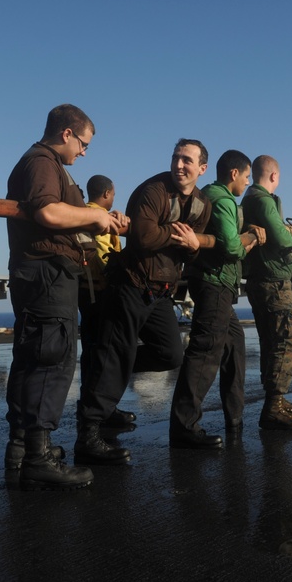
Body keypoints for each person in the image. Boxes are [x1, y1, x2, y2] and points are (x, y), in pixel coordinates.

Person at [4, 104, 126, 490]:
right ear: (67, 133)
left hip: (43, 274)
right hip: (47, 274)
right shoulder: (42, 162)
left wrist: (104, 220)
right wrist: (94, 218)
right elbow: (48, 213)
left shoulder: (50, 165)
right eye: (84, 143)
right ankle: (38, 457)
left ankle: (23, 448)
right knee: (50, 361)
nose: (85, 152)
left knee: (32, 360)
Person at [76, 139, 213, 462]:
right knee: (115, 357)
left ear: (201, 169)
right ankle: (89, 437)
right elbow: (143, 236)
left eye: (187, 161)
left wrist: (191, 244)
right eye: (176, 158)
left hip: (161, 291)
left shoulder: (201, 205)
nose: (179, 165)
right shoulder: (153, 191)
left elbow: (189, 250)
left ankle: (111, 369)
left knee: (170, 354)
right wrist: (178, 236)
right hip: (131, 285)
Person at [169, 150, 265, 448]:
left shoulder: (211, 195)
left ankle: (234, 418)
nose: (247, 182)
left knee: (235, 345)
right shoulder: (223, 199)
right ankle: (184, 427)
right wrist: (251, 237)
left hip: (212, 283)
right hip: (215, 283)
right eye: (247, 176)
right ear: (234, 174)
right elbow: (231, 248)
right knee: (205, 351)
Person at [241, 155, 292, 430]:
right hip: (273, 282)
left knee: (272, 343)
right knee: (286, 341)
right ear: (273, 176)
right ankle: (274, 407)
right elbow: (283, 239)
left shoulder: (251, 199)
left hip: (263, 281)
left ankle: (275, 402)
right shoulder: (262, 199)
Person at [78, 174, 135, 429]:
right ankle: (99, 411)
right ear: (107, 194)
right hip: (101, 290)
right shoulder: (100, 217)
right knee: (104, 351)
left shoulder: (80, 213)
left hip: (85, 290)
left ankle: (95, 405)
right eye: (113, 194)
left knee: (91, 349)